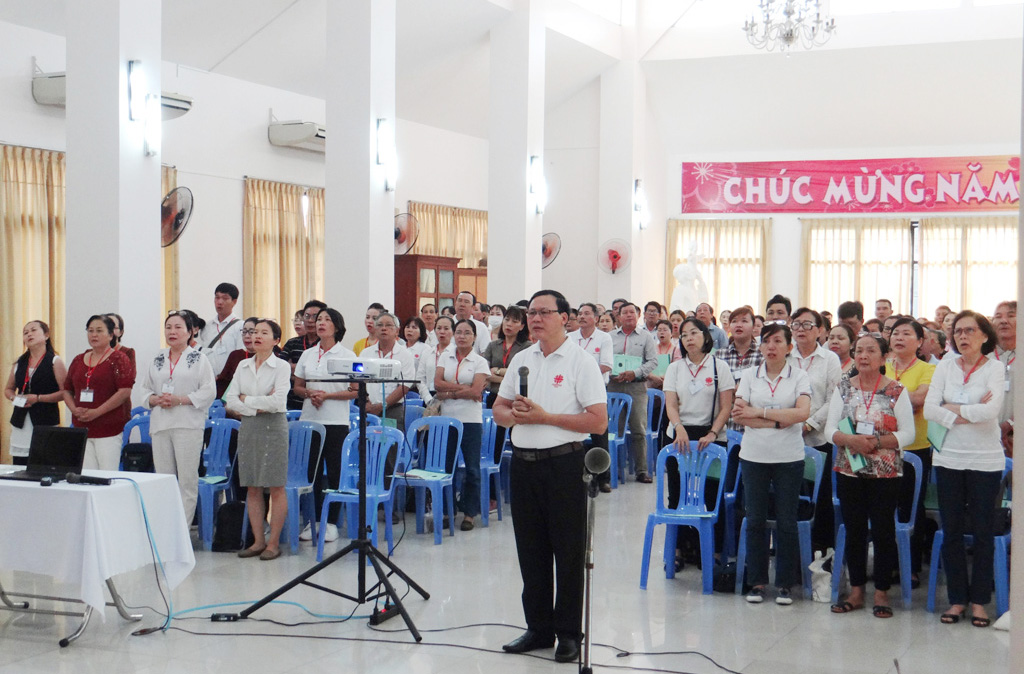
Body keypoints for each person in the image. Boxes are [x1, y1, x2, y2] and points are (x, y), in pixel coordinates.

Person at [494, 289, 607, 663]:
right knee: (531, 550)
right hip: (523, 465)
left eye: (544, 312)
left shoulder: (581, 362)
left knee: (569, 551)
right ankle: (538, 628)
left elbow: (597, 420)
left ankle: (569, 633)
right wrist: (515, 416)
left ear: (565, 317)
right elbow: (499, 408)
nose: (535, 318)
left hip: (564, 466)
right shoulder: (522, 359)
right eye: (531, 313)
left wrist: (545, 417)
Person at [924, 310, 1005, 627]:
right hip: (948, 459)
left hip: (985, 461)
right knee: (952, 531)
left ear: (984, 335)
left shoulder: (995, 369)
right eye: (958, 331)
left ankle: (980, 601)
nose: (963, 335)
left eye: (970, 330)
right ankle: (957, 599)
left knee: (984, 532)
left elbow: (992, 411)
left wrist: (951, 409)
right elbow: (930, 408)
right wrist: (963, 411)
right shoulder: (945, 366)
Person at [825, 334, 915, 618]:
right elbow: (829, 430)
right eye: (859, 350)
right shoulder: (842, 389)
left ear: (884, 357)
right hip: (850, 468)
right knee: (854, 530)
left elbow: (909, 434)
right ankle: (856, 591)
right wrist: (851, 441)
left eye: (870, 351)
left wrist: (875, 442)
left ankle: (882, 593)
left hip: (885, 472)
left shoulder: (896, 391)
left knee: (883, 531)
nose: (863, 356)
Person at [731, 323, 811, 606]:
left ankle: (786, 584)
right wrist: (779, 419)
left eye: (778, 341)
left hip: (789, 457)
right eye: (766, 341)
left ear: (789, 347)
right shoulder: (749, 375)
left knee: (787, 520)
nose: (771, 346)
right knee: (754, 519)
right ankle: (757, 582)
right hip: (754, 456)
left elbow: (802, 413)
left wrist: (760, 412)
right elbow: (739, 415)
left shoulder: (799, 376)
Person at [663, 317, 735, 569]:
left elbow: (727, 406)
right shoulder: (675, 368)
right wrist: (679, 428)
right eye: (683, 335)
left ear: (706, 336)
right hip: (680, 437)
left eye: (694, 332)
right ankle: (679, 549)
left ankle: (713, 551)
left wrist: (714, 433)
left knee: (712, 495)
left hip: (712, 438)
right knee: (678, 493)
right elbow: (670, 404)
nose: (688, 338)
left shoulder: (719, 367)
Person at [139, 311, 217, 525]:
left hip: (187, 425)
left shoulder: (199, 359)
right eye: (168, 327)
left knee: (187, 482)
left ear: (191, 331)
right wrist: (154, 399)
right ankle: (165, 529)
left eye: (178, 327)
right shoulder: (157, 358)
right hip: (161, 424)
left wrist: (180, 399)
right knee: (164, 481)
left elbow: (209, 391)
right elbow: (144, 389)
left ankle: (181, 533)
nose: (172, 332)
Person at [225, 318, 291, 561]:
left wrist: (247, 400)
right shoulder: (242, 365)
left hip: (274, 427)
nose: (256, 336)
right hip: (249, 427)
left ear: (276, 340)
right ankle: (258, 541)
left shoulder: (281, 366)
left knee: (275, 485)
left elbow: (278, 403)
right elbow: (230, 401)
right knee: (252, 486)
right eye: (254, 332)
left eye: (264, 333)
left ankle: (273, 543)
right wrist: (256, 404)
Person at [293, 308, 357, 544]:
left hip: (336, 422)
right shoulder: (307, 355)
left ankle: (331, 523)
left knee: (336, 473)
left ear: (337, 327)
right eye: (318, 319)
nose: (321, 323)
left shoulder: (347, 355)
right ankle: (313, 521)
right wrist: (310, 392)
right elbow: (297, 386)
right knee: (313, 474)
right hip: (310, 421)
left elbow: (355, 390)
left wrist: (327, 396)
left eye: (327, 320)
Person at [886, 317, 936, 586]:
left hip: (915, 448)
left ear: (919, 341)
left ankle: (911, 566)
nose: (899, 338)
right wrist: (905, 396)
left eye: (906, 334)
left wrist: (887, 396)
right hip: (881, 446)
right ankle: (888, 563)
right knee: (884, 507)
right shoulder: (882, 366)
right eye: (895, 333)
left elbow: (921, 399)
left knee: (911, 508)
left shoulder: (928, 369)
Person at [788, 307, 842, 553]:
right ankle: (791, 549)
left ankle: (819, 551)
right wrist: (791, 421)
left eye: (807, 325)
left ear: (820, 330)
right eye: (796, 324)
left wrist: (809, 423)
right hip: (787, 436)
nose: (800, 329)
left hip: (818, 438)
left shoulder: (829, 359)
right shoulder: (786, 356)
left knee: (819, 498)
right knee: (792, 496)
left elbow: (834, 399)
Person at [435, 319, 490, 531]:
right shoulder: (445, 357)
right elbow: (437, 385)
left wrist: (449, 393)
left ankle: (469, 513)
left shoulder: (479, 362)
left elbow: (477, 391)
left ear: (474, 337)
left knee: (472, 469)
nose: (462, 336)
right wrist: (461, 389)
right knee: (446, 467)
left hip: (471, 421)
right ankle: (448, 511)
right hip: (447, 420)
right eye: (458, 332)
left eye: (467, 333)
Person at [62, 315, 136, 470]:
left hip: (109, 428)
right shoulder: (78, 359)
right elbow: (67, 389)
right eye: (90, 331)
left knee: (107, 474)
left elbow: (124, 391)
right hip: (82, 426)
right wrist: (74, 410)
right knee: (87, 475)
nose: (93, 335)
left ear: (111, 335)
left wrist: (97, 412)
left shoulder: (118, 358)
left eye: (99, 331)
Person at [608, 303, 659, 483]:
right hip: (613, 386)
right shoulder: (609, 337)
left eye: (632, 312)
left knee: (638, 429)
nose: (628, 315)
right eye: (624, 313)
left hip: (636, 387)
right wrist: (611, 374)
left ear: (638, 316)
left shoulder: (646, 337)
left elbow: (653, 362)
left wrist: (634, 373)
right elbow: (604, 361)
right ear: (618, 316)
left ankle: (642, 470)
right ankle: (614, 470)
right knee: (614, 431)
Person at [4, 320, 67, 465]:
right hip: (21, 420)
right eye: (25, 333)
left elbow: (65, 392)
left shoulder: (54, 361)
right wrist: (14, 397)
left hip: (45, 419)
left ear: (46, 335)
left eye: (33, 330)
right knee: (20, 465)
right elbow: (8, 389)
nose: (29, 334)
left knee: (42, 463)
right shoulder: (19, 363)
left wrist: (38, 398)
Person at [360, 313, 416, 431]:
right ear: (375, 329)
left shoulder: (405, 355)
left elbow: (404, 386)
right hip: (368, 408)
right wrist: (366, 402)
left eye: (388, 325)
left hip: (392, 409)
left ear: (397, 331)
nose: (383, 328)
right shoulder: (366, 354)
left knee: (389, 446)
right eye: (380, 325)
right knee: (368, 446)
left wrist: (382, 406)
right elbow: (360, 381)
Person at [720, 306, 764, 432]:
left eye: (744, 321)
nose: (739, 325)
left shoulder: (763, 355)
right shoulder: (719, 356)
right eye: (734, 321)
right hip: (724, 428)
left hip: (754, 427)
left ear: (753, 326)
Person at [482, 305, 531, 407]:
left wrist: (497, 371)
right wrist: (509, 378)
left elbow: (522, 373)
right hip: (494, 395)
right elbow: (484, 373)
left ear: (522, 326)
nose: (509, 324)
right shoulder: (493, 345)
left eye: (515, 321)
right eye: (507, 320)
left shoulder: (527, 347)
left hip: (516, 397)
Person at [283, 300, 327, 410]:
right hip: (292, 402)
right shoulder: (292, 343)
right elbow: (280, 368)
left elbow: (322, 374)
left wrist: (296, 370)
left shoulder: (327, 345)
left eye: (315, 317)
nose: (310, 321)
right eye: (307, 316)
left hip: (319, 401)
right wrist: (306, 372)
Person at [200, 282, 244, 377]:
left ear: (234, 301)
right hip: (207, 379)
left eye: (225, 298)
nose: (219, 302)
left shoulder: (240, 326)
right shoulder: (207, 326)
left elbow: (240, 356)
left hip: (228, 380)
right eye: (217, 297)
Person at [992, 301, 1016, 457]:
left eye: (1011, 315)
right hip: (986, 437)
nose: (1003, 320)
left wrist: (1010, 424)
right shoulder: (983, 357)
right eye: (998, 316)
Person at [217, 317, 258, 399]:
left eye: (251, 332)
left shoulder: (269, 356)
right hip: (234, 403)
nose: (246, 336)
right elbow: (223, 383)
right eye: (244, 331)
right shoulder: (235, 355)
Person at [419, 315, 455, 404]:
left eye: (446, 329)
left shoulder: (456, 353)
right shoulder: (427, 352)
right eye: (439, 328)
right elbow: (420, 379)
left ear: (453, 332)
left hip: (451, 398)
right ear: (435, 331)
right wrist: (428, 398)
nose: (442, 332)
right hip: (428, 397)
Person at [648, 319, 682, 389]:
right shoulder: (651, 349)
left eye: (665, 330)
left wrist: (666, 377)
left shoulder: (676, 350)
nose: (662, 332)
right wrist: (652, 376)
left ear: (671, 333)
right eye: (659, 330)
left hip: (669, 386)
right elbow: (645, 366)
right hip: (652, 385)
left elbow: (678, 368)